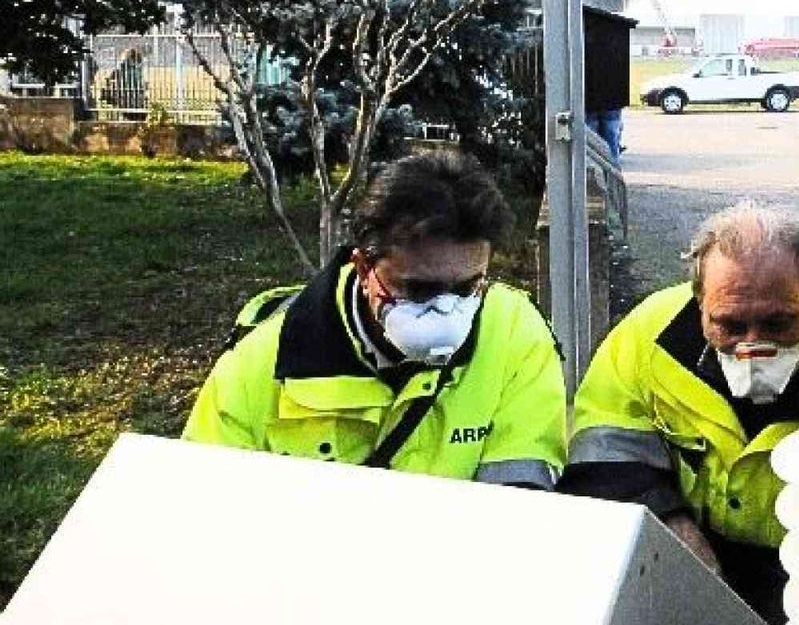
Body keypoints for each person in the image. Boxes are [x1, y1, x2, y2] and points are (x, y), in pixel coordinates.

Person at [556, 202, 799, 625]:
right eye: (730, 325)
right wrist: (670, 527)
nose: (752, 346)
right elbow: (604, 458)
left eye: (778, 323)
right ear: (699, 302)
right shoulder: (649, 338)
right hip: (694, 571)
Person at [184, 151, 566, 490]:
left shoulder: (517, 336)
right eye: (418, 290)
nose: (445, 312)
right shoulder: (262, 366)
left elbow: (519, 512)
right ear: (365, 266)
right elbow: (206, 507)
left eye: (467, 288)